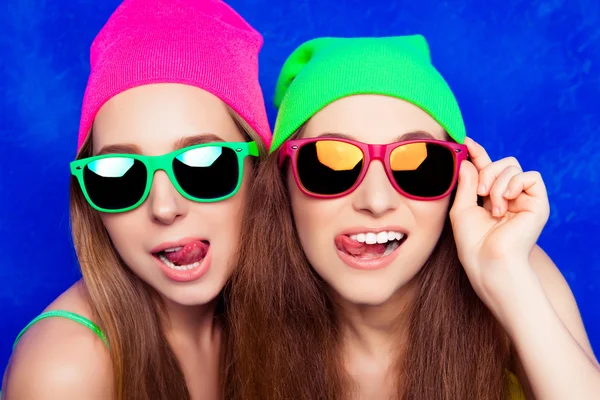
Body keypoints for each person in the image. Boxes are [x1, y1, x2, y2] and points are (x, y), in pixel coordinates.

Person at [227, 35, 599, 399]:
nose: (375, 200)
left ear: (460, 182)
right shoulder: (232, 314)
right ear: (282, 185)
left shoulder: (515, 268)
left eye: (419, 164)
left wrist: (507, 278)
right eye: (331, 163)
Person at [2, 0, 270, 399]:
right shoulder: (63, 370)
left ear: (259, 172)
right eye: (119, 174)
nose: (164, 208)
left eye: (203, 165)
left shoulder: (277, 327)